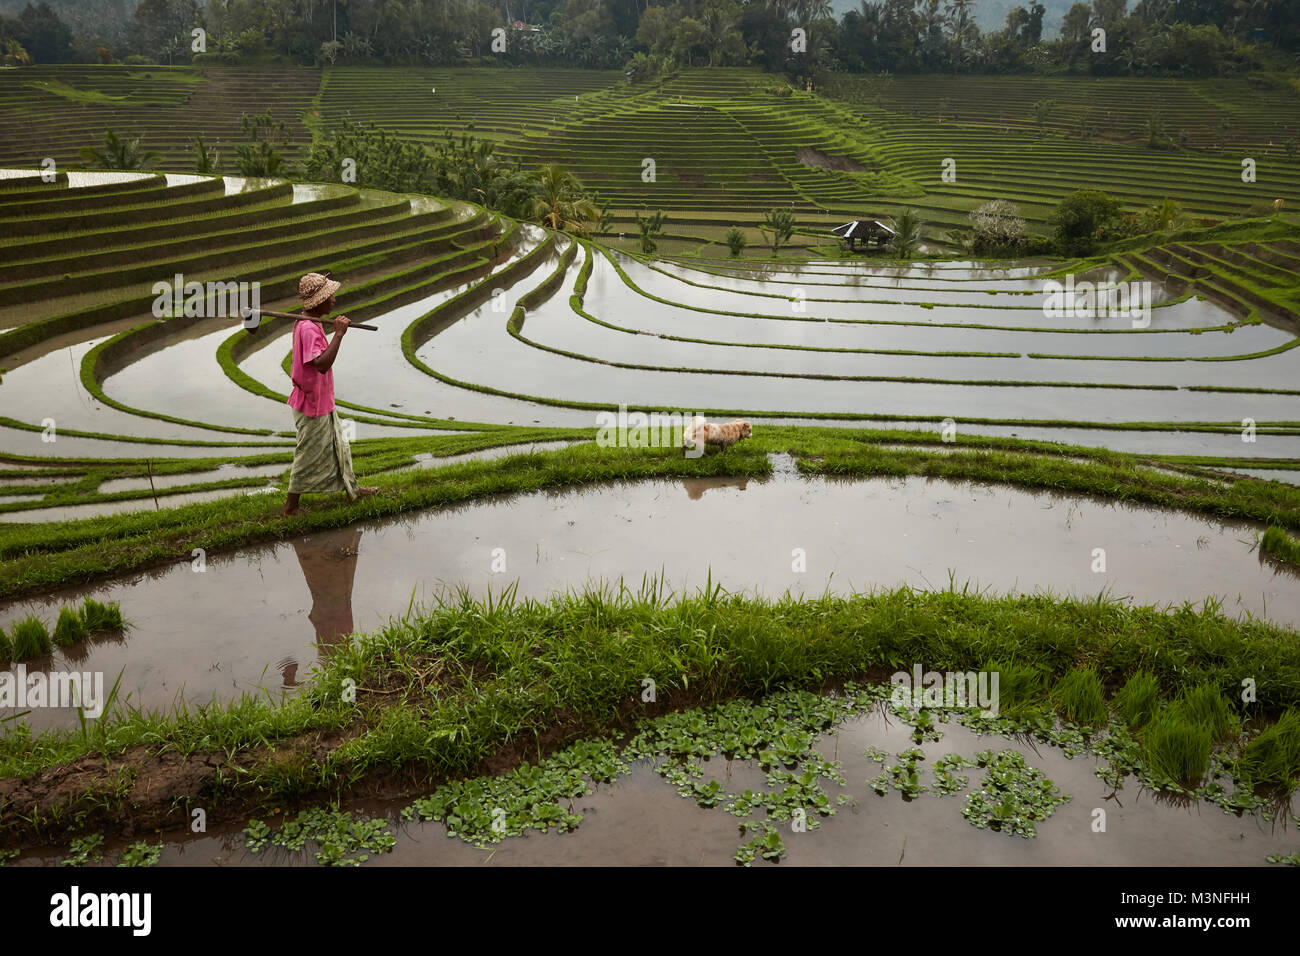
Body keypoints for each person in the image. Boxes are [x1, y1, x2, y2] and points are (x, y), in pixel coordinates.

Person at [281, 272, 378, 517]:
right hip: (312, 403)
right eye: (330, 296)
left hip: (322, 399)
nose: (334, 300)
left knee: (340, 447)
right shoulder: (309, 330)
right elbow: (321, 364)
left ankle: (352, 489)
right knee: (307, 454)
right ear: (318, 302)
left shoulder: (307, 323)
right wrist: (338, 334)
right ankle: (290, 507)